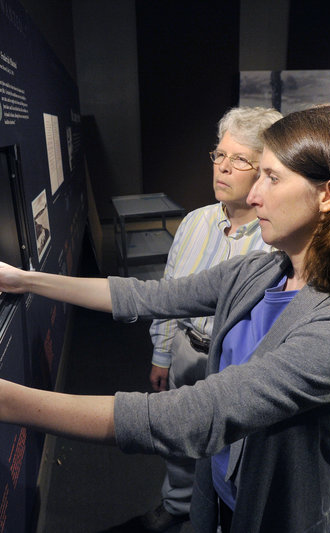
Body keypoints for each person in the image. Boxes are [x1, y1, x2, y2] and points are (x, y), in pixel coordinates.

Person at [0, 103, 330, 532]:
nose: (254, 197)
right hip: (218, 494)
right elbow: (152, 296)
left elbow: (197, 415)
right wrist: (25, 280)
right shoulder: (264, 269)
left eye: (270, 178)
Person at [142, 106, 281, 532]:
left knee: (234, 450)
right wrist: (162, 354)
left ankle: (221, 517)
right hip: (187, 351)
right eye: (219, 155)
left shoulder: (275, 238)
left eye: (239, 160)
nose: (222, 168)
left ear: (266, 170)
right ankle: (178, 502)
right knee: (177, 440)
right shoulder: (194, 222)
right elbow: (168, 295)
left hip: (239, 363)